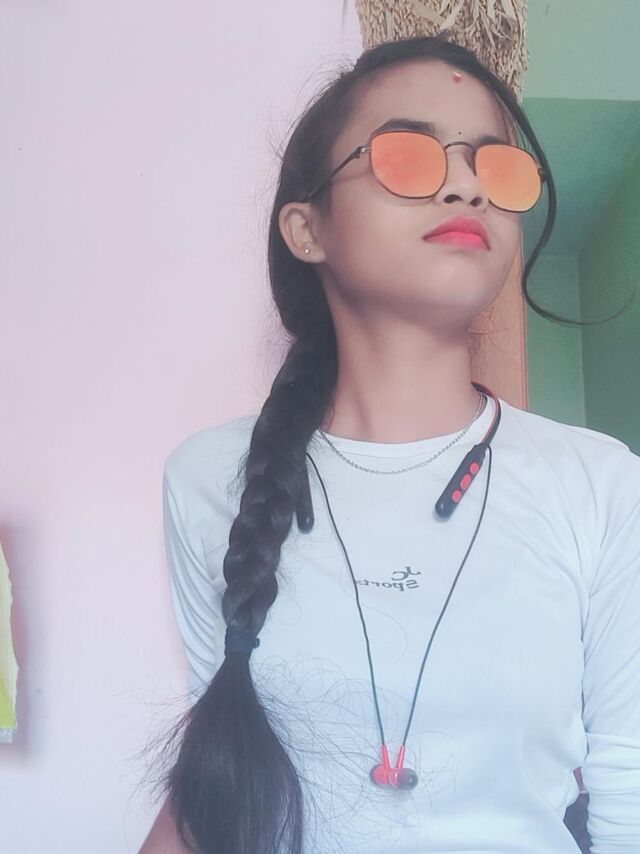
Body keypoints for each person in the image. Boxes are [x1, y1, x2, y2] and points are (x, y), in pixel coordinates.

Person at [140, 34, 640, 854]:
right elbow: (218, 786)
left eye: (496, 167)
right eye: (408, 154)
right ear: (307, 229)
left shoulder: (602, 484)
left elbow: (630, 802)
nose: (467, 186)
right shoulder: (206, 478)